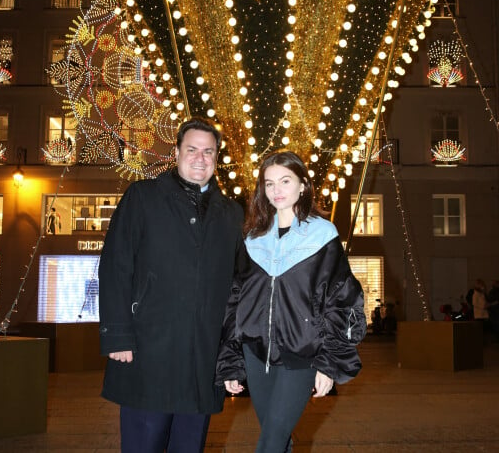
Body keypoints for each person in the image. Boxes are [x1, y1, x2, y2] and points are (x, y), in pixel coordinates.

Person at [98, 117, 244, 453]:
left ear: (216, 158)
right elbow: (116, 267)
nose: (200, 158)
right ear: (176, 152)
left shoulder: (232, 214)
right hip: (149, 355)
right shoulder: (143, 197)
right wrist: (118, 335)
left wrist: (232, 358)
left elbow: (238, 290)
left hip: (202, 361)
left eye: (208, 152)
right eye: (192, 149)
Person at [216, 150, 367, 453]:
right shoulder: (252, 238)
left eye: (285, 181)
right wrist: (232, 362)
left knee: (270, 442)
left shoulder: (323, 236)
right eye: (269, 183)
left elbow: (342, 301)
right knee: (278, 438)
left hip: (301, 355)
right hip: (255, 354)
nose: (276, 190)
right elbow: (235, 302)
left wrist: (329, 363)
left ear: (302, 185)